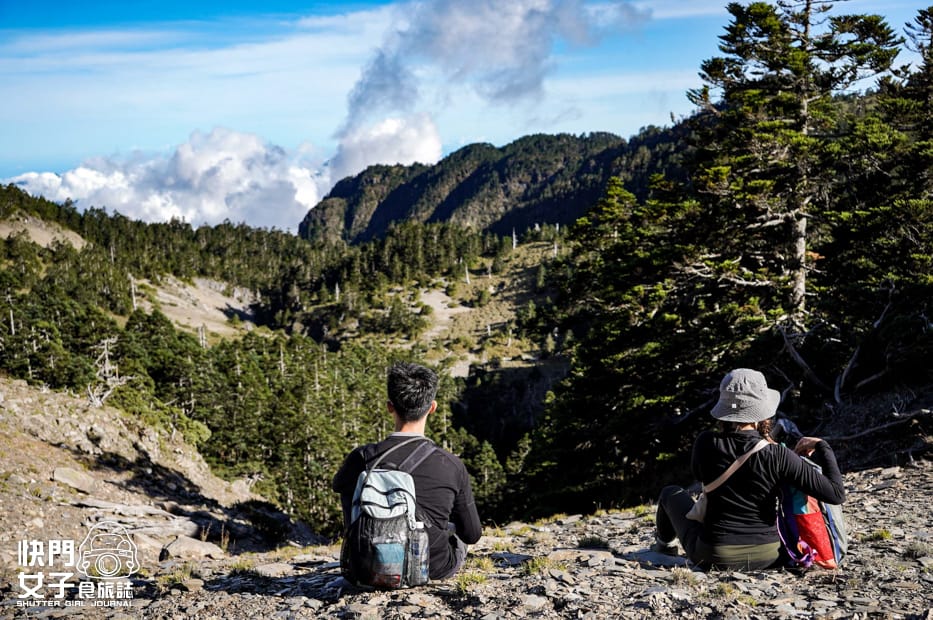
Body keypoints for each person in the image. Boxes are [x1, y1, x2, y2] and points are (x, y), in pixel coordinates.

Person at [653, 368, 845, 570]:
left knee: (670, 493)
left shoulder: (706, 442)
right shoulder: (779, 454)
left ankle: (664, 546)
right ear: (761, 412)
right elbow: (836, 494)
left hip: (715, 556)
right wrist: (823, 446)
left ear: (724, 409)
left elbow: (699, 475)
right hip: (770, 555)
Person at [332, 361, 482, 580]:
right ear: (432, 407)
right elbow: (472, 535)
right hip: (432, 567)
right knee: (457, 537)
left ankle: (371, 555)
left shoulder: (361, 458)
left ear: (390, 407)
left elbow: (340, 489)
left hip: (365, 567)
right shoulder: (451, 464)